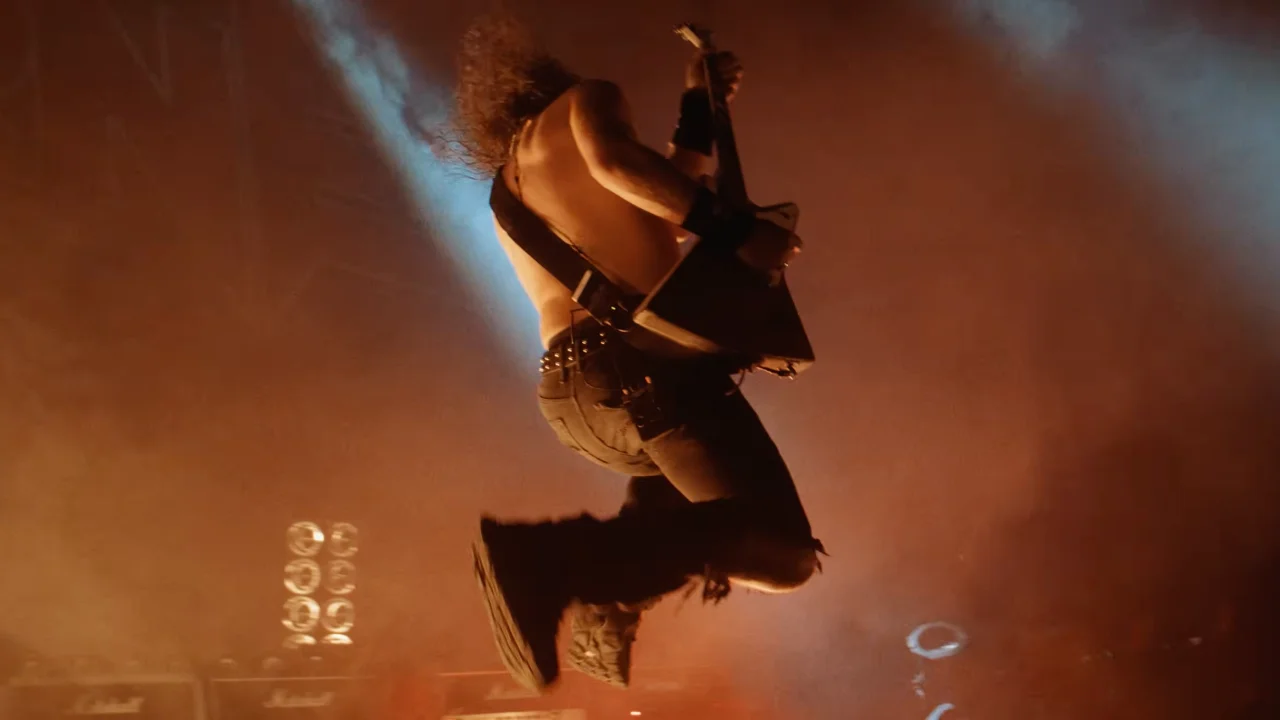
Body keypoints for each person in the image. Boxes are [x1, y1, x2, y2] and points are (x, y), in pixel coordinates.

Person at [438, 12, 823, 692]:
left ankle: (609, 601)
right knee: (785, 553)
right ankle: (552, 560)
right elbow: (621, 166)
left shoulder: (512, 184)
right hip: (644, 376)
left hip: (578, 401)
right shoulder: (587, 97)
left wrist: (698, 106)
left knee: (678, 511)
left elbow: (649, 209)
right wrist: (737, 233)